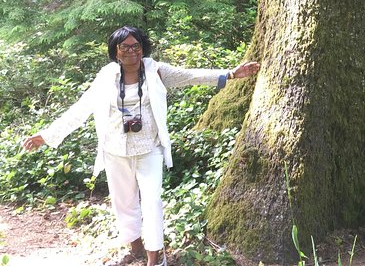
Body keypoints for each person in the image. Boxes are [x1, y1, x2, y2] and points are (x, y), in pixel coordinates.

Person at [22, 26, 260, 266]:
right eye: (124, 47)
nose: (131, 52)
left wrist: (230, 73)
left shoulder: (155, 70)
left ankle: (154, 257)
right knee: (123, 202)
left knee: (152, 201)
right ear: (116, 51)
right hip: (115, 149)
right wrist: (46, 135)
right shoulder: (106, 76)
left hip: (149, 148)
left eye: (136, 46)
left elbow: (189, 75)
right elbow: (81, 108)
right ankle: (134, 247)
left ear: (142, 48)